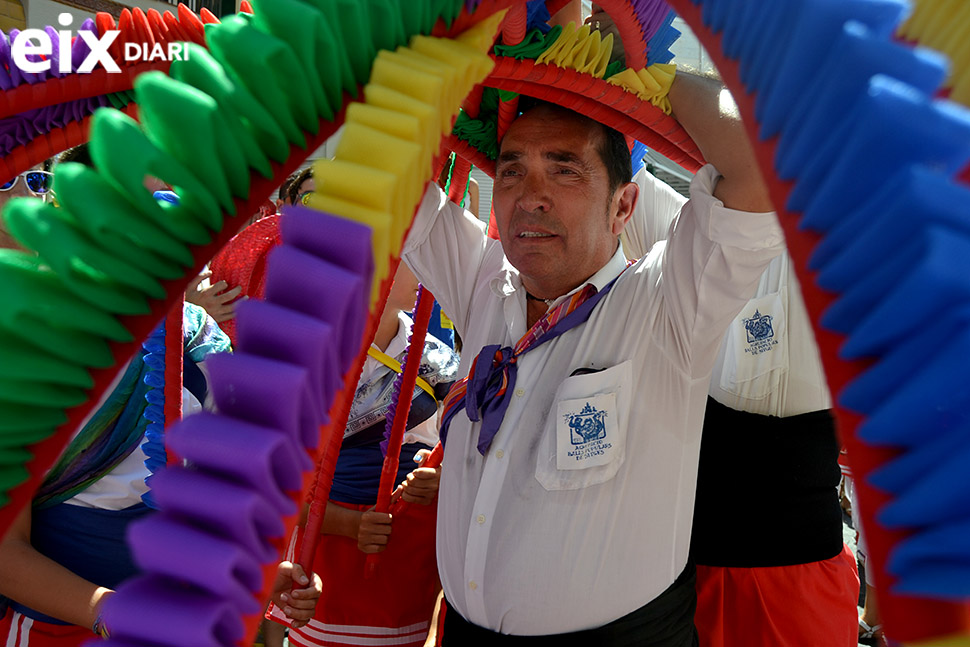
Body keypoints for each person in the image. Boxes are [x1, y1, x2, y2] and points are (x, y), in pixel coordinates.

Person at [399, 65, 782, 644]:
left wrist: (637, 76)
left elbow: (762, 160)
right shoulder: (484, 283)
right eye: (512, 172)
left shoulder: (667, 302)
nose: (532, 197)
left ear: (624, 206)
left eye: (564, 169)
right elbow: (380, 158)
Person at [622, 175, 859, 646]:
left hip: (803, 577)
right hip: (694, 573)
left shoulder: (862, 250)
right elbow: (619, 165)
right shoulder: (692, 230)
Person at [267, 263, 459, 647]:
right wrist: (349, 525)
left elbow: (453, 452)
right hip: (329, 551)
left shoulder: (436, 359)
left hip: (407, 553)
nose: (421, 267)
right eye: (406, 255)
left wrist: (439, 481)